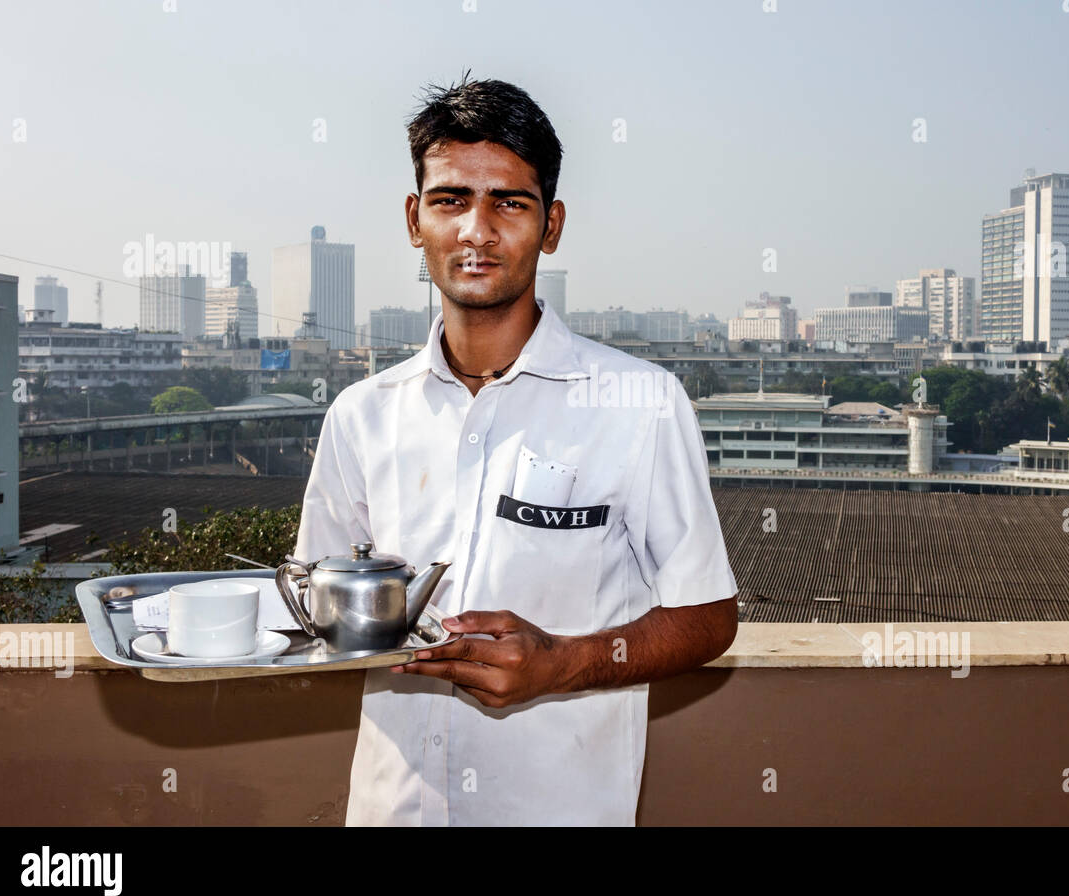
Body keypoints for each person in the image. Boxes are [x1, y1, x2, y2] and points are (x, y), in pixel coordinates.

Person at [293, 72, 739, 826]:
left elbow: (707, 616)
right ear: (414, 218)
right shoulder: (361, 414)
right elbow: (314, 603)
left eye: (509, 201)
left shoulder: (640, 403)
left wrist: (564, 663)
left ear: (552, 225)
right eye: (450, 200)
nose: (477, 230)